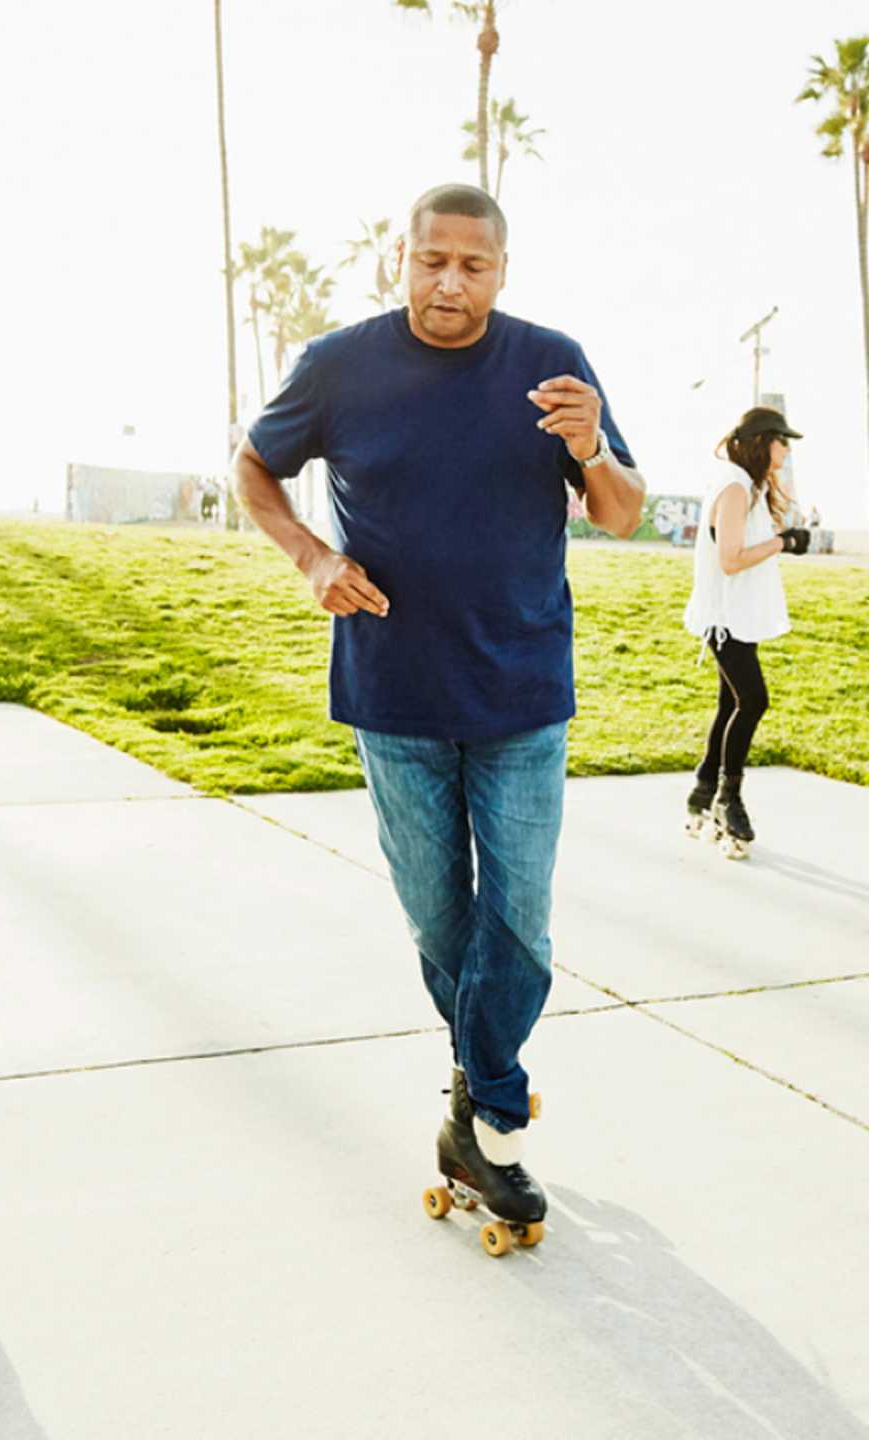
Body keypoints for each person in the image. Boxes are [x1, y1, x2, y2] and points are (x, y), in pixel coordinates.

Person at [232, 183, 645, 1243]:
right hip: (395, 695)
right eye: (430, 260)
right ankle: (480, 1102)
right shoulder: (338, 366)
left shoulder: (550, 363)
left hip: (520, 694)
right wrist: (311, 554)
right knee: (438, 918)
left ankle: (491, 1119)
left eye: (473, 265)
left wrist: (594, 447)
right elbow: (254, 465)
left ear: (503, 271)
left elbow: (623, 514)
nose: (448, 282)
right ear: (399, 260)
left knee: (522, 925)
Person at [681, 407, 809, 859]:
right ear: (762, 442)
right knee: (753, 701)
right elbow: (730, 560)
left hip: (734, 616)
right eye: (782, 441)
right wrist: (784, 542)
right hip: (725, 619)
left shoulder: (743, 484)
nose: (786, 450)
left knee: (730, 703)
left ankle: (702, 789)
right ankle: (727, 799)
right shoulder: (734, 487)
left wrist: (782, 539)